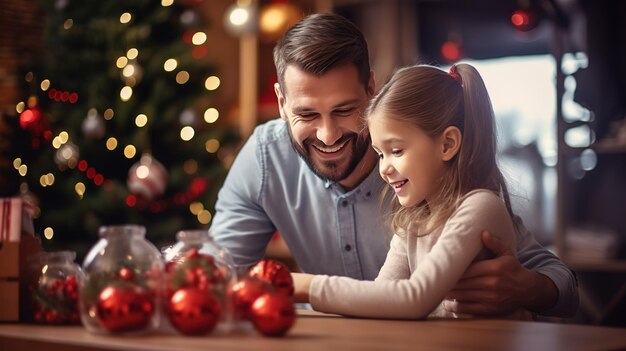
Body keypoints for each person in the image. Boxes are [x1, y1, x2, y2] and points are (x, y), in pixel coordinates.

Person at [209, 13, 578, 318]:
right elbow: (218, 270)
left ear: (371, 88)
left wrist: (529, 287)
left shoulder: (443, 179)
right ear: (280, 101)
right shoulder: (265, 157)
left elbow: (559, 281)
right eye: (306, 113)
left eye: (345, 110)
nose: (327, 134)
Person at [291, 63, 535, 319]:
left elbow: (415, 299)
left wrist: (309, 287)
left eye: (396, 151)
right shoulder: (413, 223)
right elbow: (382, 298)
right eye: (379, 154)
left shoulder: (480, 207)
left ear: (447, 144)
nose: (384, 168)